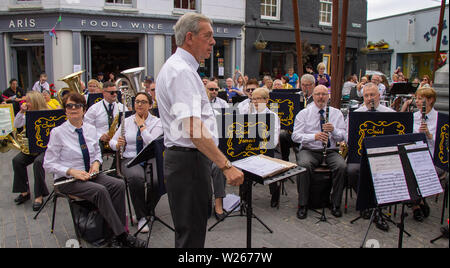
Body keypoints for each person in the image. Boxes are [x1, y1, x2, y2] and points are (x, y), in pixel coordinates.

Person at [156, 12, 244, 248]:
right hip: (189, 163)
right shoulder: (181, 71)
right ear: (189, 38)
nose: (213, 42)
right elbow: (194, 129)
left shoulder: (181, 68)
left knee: (190, 231)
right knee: (191, 236)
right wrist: (226, 166)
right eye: (208, 36)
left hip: (188, 162)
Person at [43, 92, 146, 248]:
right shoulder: (57, 133)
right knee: (99, 191)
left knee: (118, 185)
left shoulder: (90, 129)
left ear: (84, 109)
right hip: (67, 180)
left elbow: (96, 151)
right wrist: (71, 171)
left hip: (89, 174)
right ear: (65, 110)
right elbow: (48, 163)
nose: (73, 108)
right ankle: (122, 236)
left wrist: (97, 163)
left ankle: (113, 234)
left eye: (77, 105)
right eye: (69, 106)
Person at [109, 92, 163, 233]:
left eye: (143, 102)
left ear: (150, 105)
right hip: (130, 158)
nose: (139, 104)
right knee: (136, 178)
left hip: (150, 157)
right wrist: (117, 144)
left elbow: (152, 143)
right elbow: (111, 142)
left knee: (158, 180)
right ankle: (142, 217)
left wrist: (142, 126)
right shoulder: (126, 121)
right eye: (137, 101)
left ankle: (147, 211)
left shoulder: (157, 122)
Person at [292, 85, 347, 220]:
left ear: (328, 96)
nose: (321, 97)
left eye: (324, 94)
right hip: (310, 149)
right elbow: (295, 136)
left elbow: (342, 136)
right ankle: (303, 204)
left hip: (331, 150)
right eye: (318, 94)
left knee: (342, 166)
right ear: (313, 96)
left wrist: (333, 130)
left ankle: (335, 203)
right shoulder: (304, 113)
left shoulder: (336, 113)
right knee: (303, 165)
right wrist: (314, 137)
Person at [345, 83, 395, 231]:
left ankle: (376, 206)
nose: (369, 98)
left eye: (372, 95)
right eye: (366, 96)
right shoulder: (356, 114)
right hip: (361, 156)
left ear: (379, 96)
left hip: (383, 158)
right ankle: (365, 201)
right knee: (352, 170)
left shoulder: (390, 113)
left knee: (384, 173)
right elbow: (348, 135)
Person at [411, 87, 445, 222]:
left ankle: (416, 202)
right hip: (415, 155)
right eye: (417, 99)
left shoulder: (440, 119)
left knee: (425, 172)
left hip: (433, 157)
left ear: (430, 100)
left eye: (421, 99)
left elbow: (444, 144)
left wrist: (430, 136)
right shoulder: (414, 117)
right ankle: (417, 204)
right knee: (408, 170)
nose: (417, 102)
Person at [12, 91, 50, 211]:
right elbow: (16, 124)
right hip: (31, 148)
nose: (25, 103)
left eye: (28, 101)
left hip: (45, 149)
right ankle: (24, 191)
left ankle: (39, 196)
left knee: (38, 163)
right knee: (17, 160)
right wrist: (21, 112)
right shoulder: (26, 114)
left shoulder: (47, 113)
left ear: (35, 101)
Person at [250, 88, 281, 207]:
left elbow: (273, 141)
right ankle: (244, 196)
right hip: (253, 150)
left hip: (268, 150)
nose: (256, 102)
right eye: (253, 99)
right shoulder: (251, 116)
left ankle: (274, 192)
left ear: (266, 100)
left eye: (258, 99)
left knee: (269, 159)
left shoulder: (272, 116)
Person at [84, 81, 127, 154]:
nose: (115, 94)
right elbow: (86, 127)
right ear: (104, 93)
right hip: (100, 142)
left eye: (116, 92)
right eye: (112, 93)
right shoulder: (94, 109)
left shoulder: (122, 107)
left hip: (117, 140)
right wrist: (100, 136)